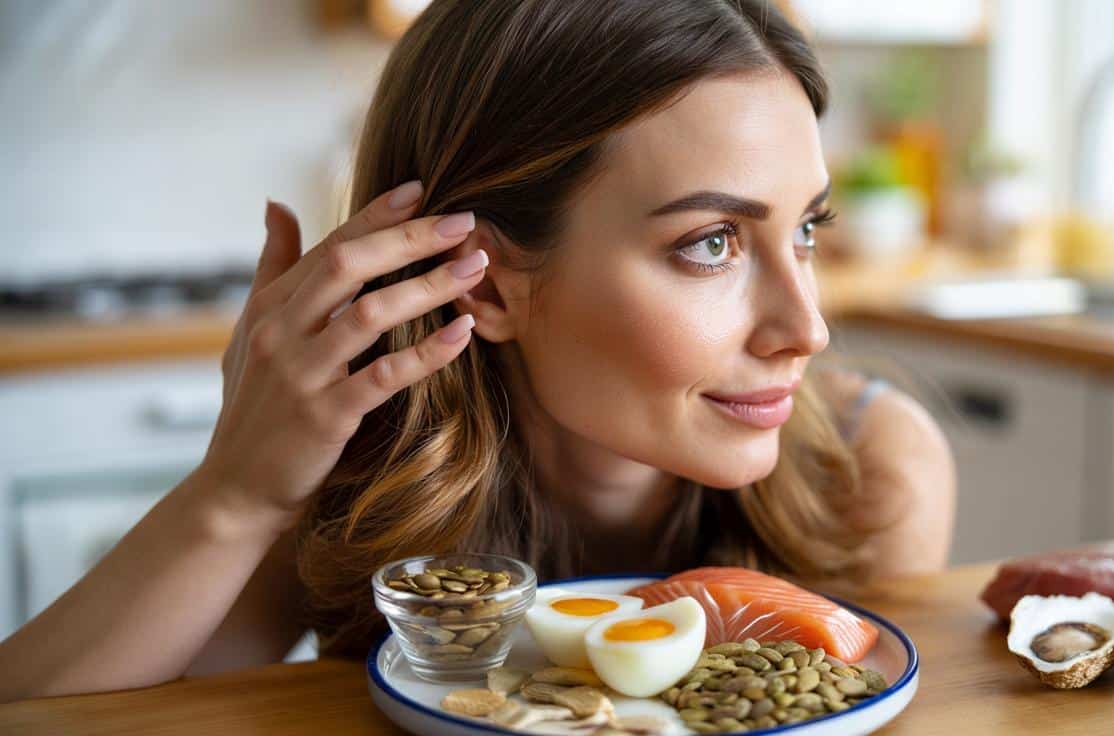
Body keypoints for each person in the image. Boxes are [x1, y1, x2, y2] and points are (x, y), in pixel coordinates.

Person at [0, 0, 954, 702]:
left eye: (807, 229)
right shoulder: (355, 479)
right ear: (487, 285)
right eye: (711, 243)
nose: (807, 328)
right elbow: (55, 716)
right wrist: (236, 494)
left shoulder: (870, 471)